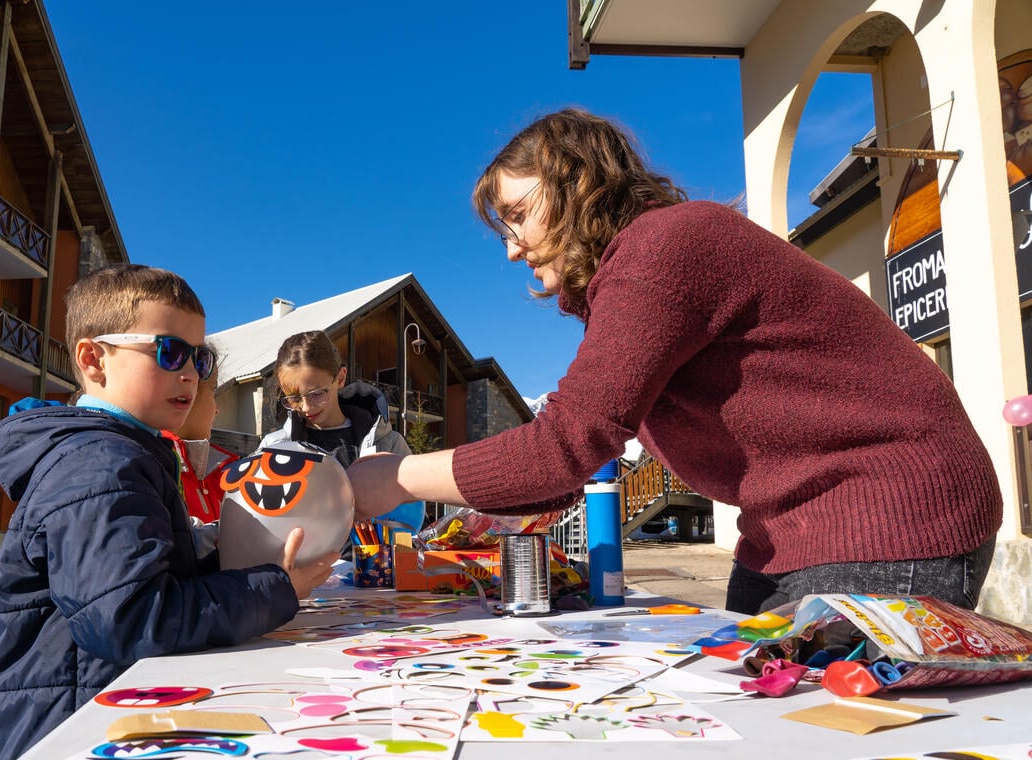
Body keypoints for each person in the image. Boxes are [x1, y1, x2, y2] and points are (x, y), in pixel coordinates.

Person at [347, 107, 1002, 616]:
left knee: (813, 730)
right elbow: (567, 474)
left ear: (578, 184)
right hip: (789, 532)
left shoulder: (662, 252)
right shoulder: (641, 272)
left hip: (886, 522)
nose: (513, 250)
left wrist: (398, 477)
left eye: (517, 217)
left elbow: (566, 445)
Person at [0, 265, 336, 760]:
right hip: (62, 732)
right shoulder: (98, 465)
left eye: (200, 357)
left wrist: (240, 558)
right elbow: (133, 620)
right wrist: (274, 589)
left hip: (91, 715)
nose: (190, 372)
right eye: (169, 351)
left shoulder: (123, 454)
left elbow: (144, 584)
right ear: (93, 359)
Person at [259, 330, 424, 535]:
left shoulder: (388, 444)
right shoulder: (273, 449)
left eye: (316, 394)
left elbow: (411, 515)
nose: (306, 407)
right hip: (299, 564)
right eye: (293, 398)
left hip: (372, 564)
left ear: (340, 378)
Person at [162, 357, 238, 523]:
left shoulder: (230, 472)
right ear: (186, 397)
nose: (217, 410)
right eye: (213, 393)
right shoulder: (156, 467)